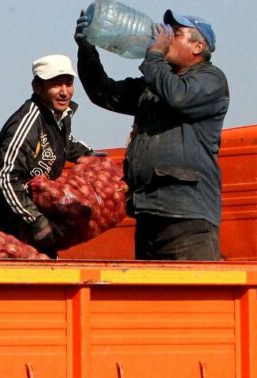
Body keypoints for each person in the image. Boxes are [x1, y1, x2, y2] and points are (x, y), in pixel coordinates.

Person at [75, 10, 230, 261]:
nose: (165, 37)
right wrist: (87, 50)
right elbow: (104, 93)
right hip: (149, 213)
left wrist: (155, 56)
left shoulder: (210, 80)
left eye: (175, 34)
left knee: (193, 298)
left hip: (187, 218)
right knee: (152, 299)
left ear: (198, 47)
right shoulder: (155, 83)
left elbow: (178, 97)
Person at [0, 55, 96, 257]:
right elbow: (4, 178)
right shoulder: (27, 123)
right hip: (6, 221)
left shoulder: (59, 118)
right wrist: (36, 221)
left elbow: (66, 143)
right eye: (56, 85)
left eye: (68, 84)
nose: (64, 92)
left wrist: (93, 157)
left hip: (33, 215)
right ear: (37, 87)